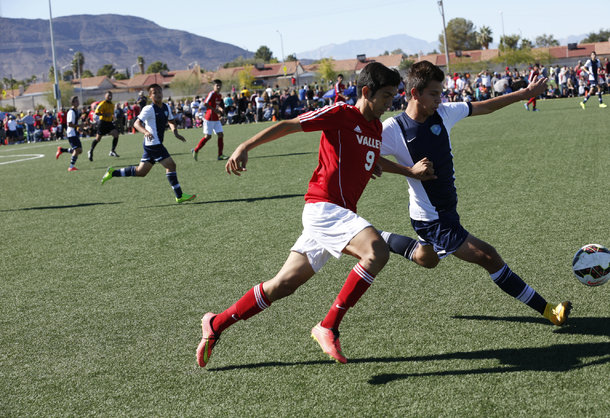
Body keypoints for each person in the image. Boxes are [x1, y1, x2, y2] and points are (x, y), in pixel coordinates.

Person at [196, 62, 435, 368]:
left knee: (283, 284)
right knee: (375, 251)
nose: (392, 101)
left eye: (394, 95)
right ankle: (328, 326)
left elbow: (374, 162)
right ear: (366, 92)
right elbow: (291, 125)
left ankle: (216, 324)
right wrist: (246, 145)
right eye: (386, 95)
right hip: (323, 208)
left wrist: (409, 171)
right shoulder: (341, 114)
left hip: (337, 215)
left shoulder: (375, 126)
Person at [377, 60, 572, 330]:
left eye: (440, 93)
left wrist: (524, 95)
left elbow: (487, 106)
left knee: (427, 260)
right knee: (488, 256)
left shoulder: (444, 113)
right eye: (434, 94)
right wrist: (408, 171)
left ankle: (380, 238)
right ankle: (549, 310)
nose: (439, 99)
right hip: (434, 217)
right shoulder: (393, 129)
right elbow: (366, 156)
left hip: (437, 210)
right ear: (415, 94)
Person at [100, 84, 196, 204]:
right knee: (171, 165)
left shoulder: (166, 107)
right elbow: (136, 123)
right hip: (153, 144)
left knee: (141, 172)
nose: (158, 94)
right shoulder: (149, 109)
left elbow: (171, 120)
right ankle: (179, 195)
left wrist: (175, 133)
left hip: (153, 143)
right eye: (154, 93)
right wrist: (145, 131)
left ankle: (112, 172)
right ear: (150, 96)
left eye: (159, 92)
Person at [192, 79, 228, 161]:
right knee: (208, 137)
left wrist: (220, 108)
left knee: (221, 135)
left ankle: (220, 155)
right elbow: (205, 103)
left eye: (220, 85)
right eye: (217, 85)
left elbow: (216, 105)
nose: (218, 87)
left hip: (216, 118)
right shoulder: (211, 93)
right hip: (209, 118)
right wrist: (214, 110)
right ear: (214, 86)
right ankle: (196, 150)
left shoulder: (219, 95)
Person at [88, 91, 120, 160]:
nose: (110, 97)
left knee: (116, 134)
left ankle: (112, 151)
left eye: (111, 95)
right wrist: (105, 115)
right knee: (98, 139)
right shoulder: (102, 104)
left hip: (109, 123)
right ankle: (91, 151)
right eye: (108, 96)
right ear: (105, 96)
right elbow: (96, 112)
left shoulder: (112, 104)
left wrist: (112, 117)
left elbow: (110, 114)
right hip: (102, 123)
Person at [55, 96, 83, 171]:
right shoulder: (71, 112)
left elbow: (74, 123)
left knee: (79, 150)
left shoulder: (76, 111)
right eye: (76, 101)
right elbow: (69, 124)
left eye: (78, 100)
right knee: (77, 150)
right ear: (72, 103)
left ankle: (61, 150)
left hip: (74, 132)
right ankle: (71, 167)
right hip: (71, 133)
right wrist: (80, 125)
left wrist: (78, 128)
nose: (78, 102)